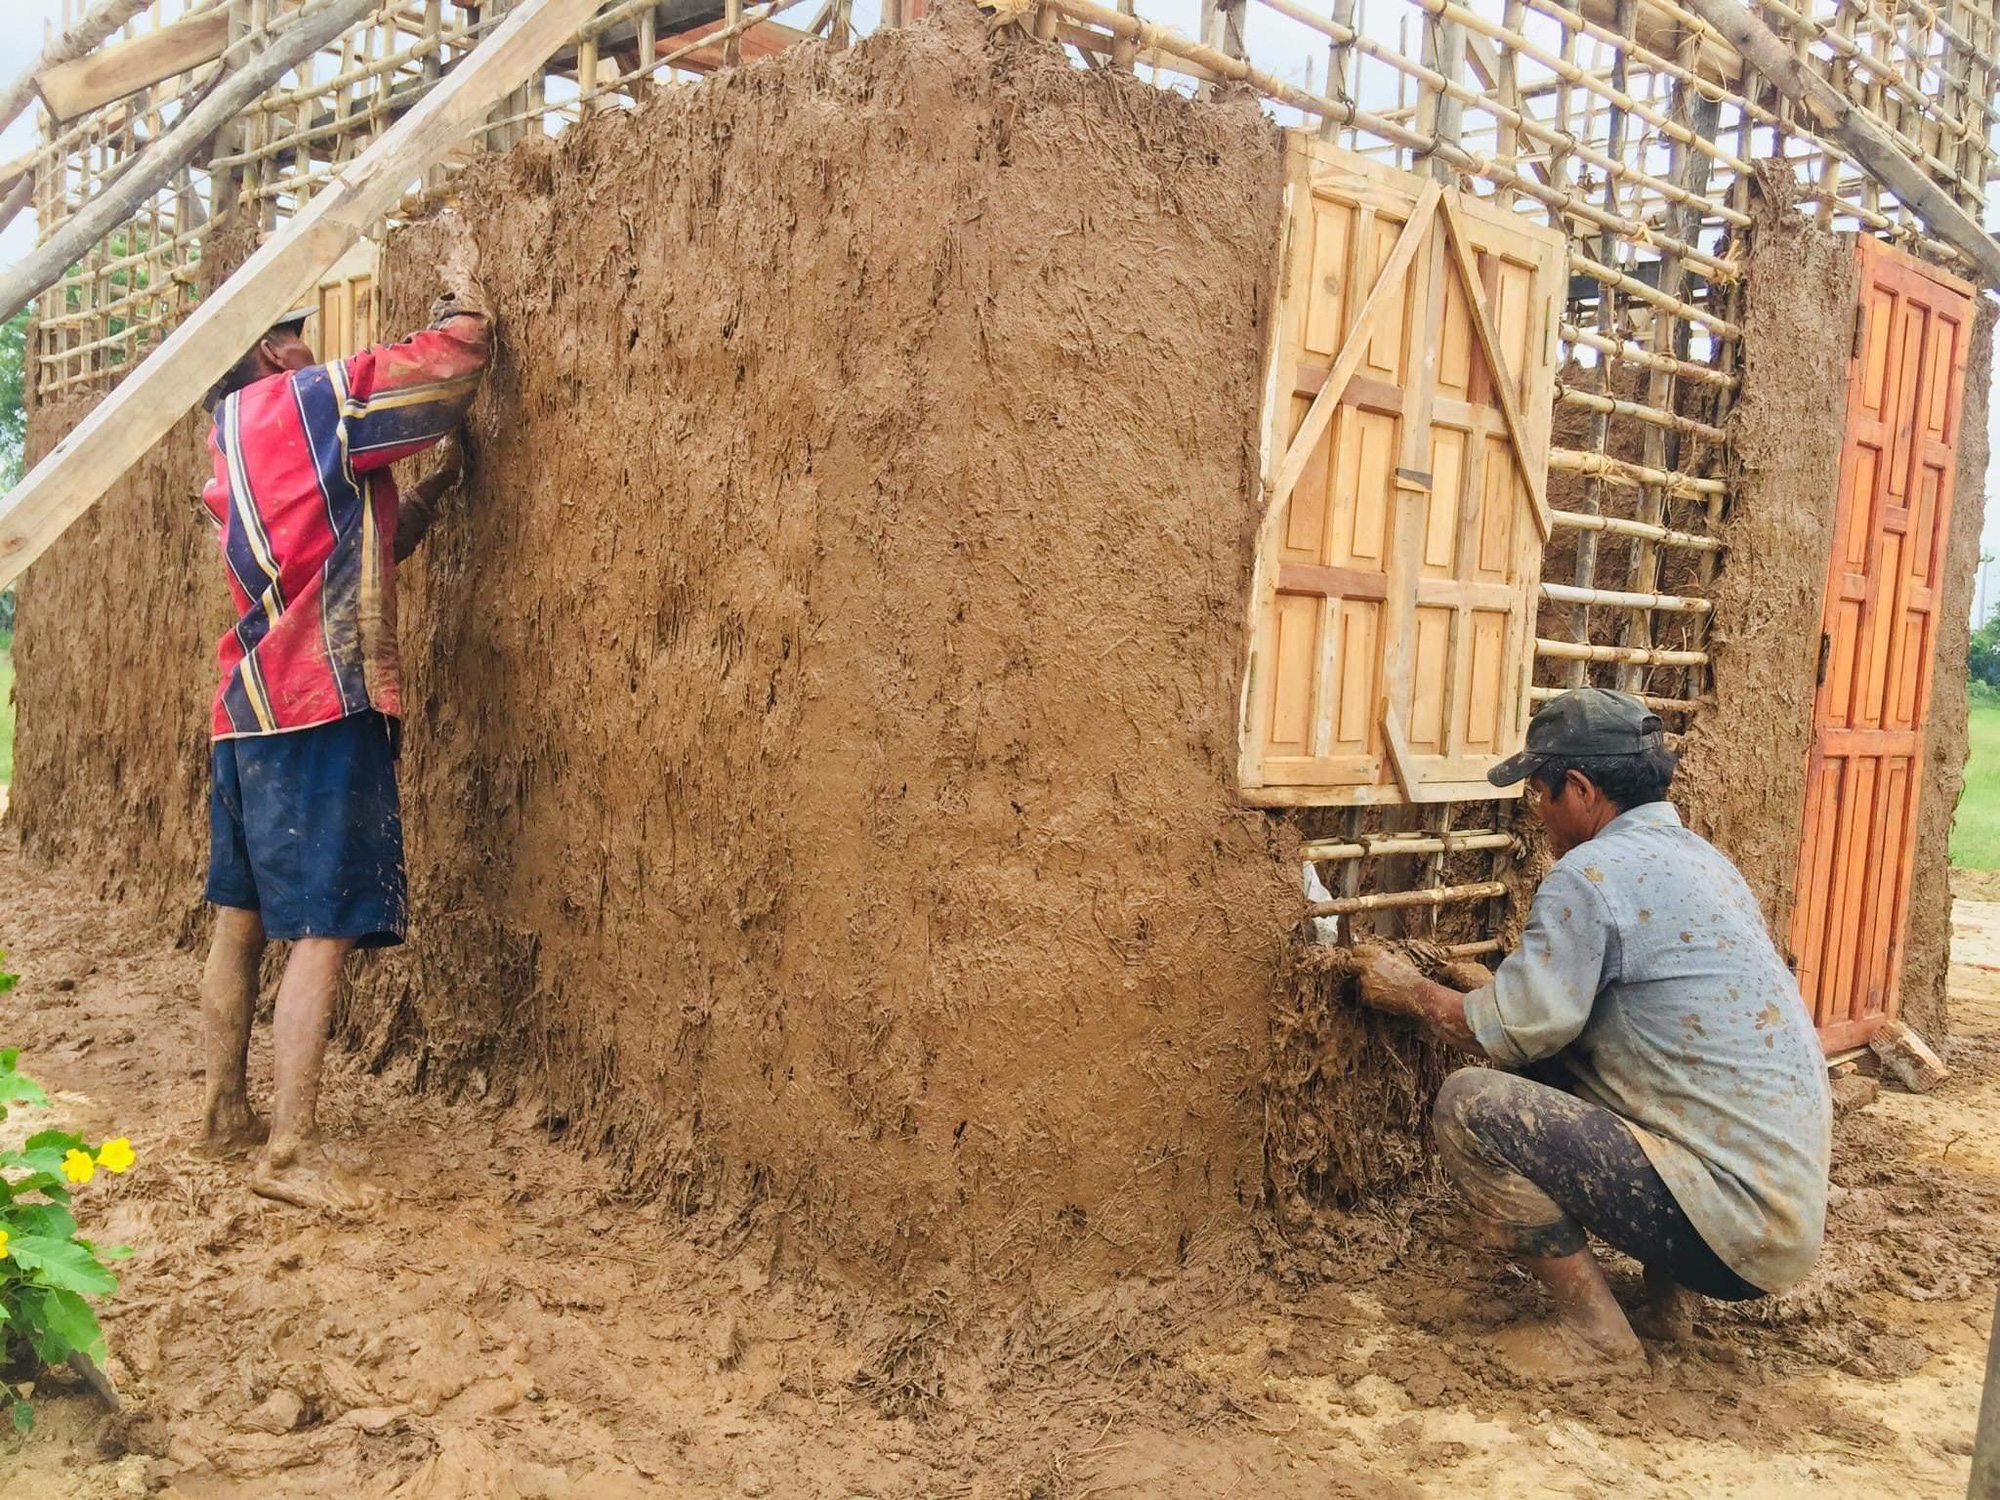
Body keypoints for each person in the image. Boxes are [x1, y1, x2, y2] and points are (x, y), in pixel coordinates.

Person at [1351, 687, 1832, 1373]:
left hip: (1727, 1224)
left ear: (1578, 788)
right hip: (1779, 1218)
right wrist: (1494, 993)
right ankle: (1669, 1310)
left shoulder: (1592, 873)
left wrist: (1411, 993)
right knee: (1625, 1080)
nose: (1540, 815)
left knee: (1472, 1106)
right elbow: (1626, 1030)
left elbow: (1509, 1037)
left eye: (1541, 794)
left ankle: (1596, 1336)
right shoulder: (1702, 862)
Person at [196, 290, 492, 1212]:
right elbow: (446, 368)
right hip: (316, 703)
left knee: (240, 917)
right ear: (270, 351)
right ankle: (289, 1153)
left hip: (244, 708)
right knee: (319, 929)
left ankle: (223, 1114)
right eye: (294, 333)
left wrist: (433, 494)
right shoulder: (309, 401)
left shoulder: (231, 433)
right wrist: (467, 297)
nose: (309, 344)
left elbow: (344, 543)